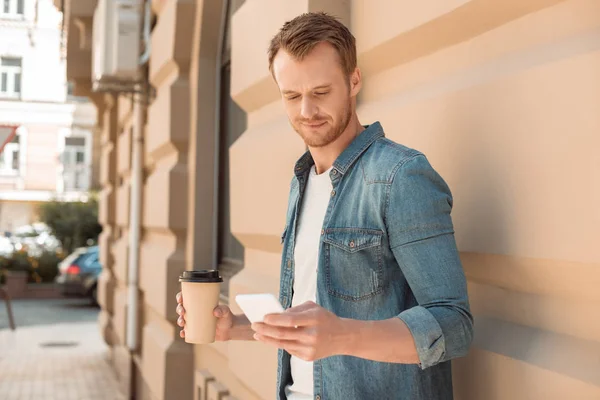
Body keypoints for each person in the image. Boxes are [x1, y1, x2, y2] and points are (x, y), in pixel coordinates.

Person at [176, 12, 473, 400]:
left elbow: (454, 325)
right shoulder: (302, 181)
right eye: (292, 96)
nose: (306, 112)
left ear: (354, 81)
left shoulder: (401, 176)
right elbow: (310, 323)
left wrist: (343, 336)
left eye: (320, 92)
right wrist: (233, 326)